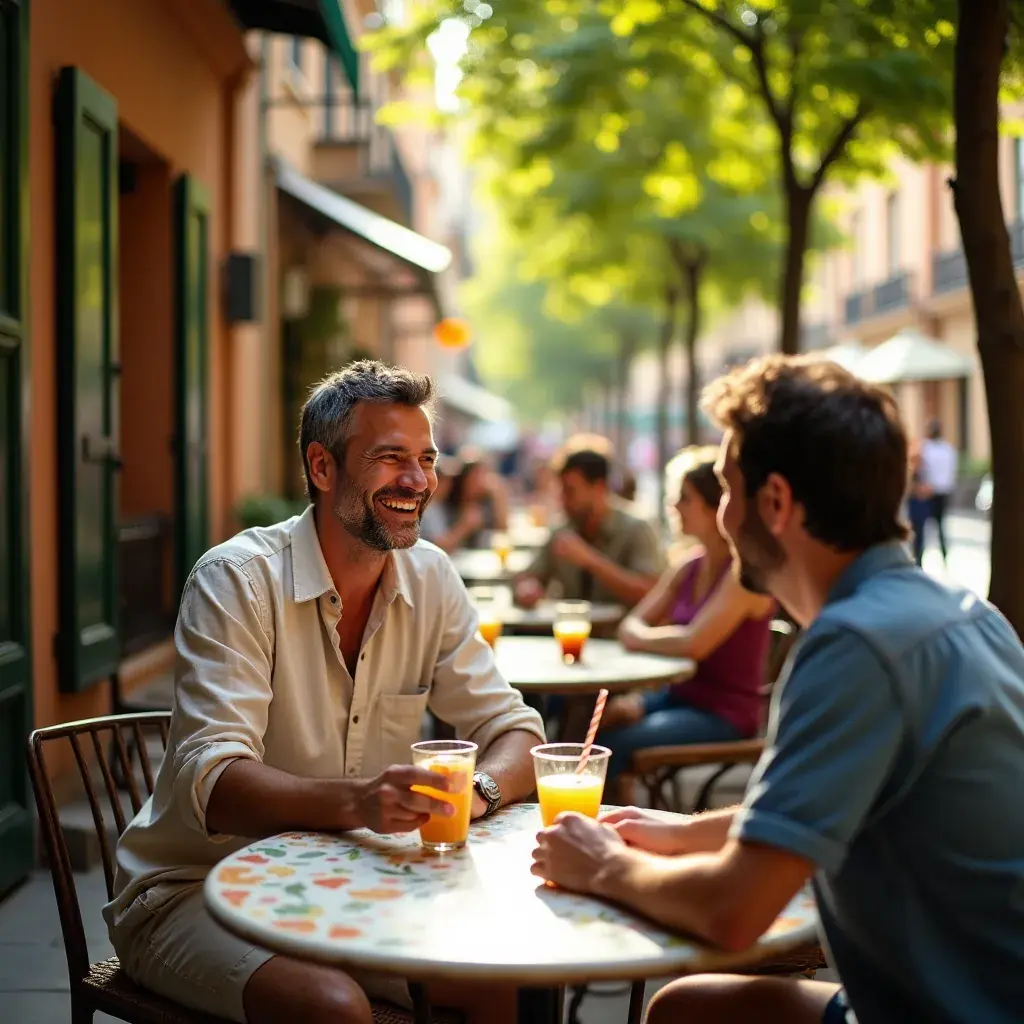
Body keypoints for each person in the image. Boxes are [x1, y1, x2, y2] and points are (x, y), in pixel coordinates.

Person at [532, 355, 1024, 1024]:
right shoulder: (962, 612)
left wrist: (600, 868)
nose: (724, 517)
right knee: (685, 1009)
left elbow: (734, 911)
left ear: (776, 503)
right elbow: (842, 802)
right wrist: (674, 835)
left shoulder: (855, 645)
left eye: (729, 489)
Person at [104, 361, 545, 1024]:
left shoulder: (431, 577)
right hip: (194, 887)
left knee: (503, 979)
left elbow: (514, 730)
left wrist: (476, 793)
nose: (419, 481)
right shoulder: (236, 581)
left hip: (350, 881)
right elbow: (215, 782)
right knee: (330, 1007)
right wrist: (363, 802)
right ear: (322, 467)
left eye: (426, 459)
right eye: (390, 458)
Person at [598, 447, 774, 782]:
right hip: (676, 697)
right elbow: (630, 625)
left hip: (724, 715)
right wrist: (650, 639)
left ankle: (615, 825)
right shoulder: (688, 566)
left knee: (611, 747)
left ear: (715, 506)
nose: (674, 506)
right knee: (598, 723)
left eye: (685, 498)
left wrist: (641, 638)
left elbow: (694, 644)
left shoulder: (743, 575)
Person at [513, 438, 666, 609]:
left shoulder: (638, 528)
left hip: (616, 633)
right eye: (561, 491)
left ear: (599, 487)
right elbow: (528, 576)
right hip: (569, 632)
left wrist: (590, 560)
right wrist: (526, 587)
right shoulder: (563, 530)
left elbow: (650, 592)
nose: (562, 500)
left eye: (570, 491)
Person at [432, 453, 510, 553]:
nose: (481, 481)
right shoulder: (444, 504)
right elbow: (439, 546)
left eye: (484, 475)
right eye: (476, 476)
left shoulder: (484, 503)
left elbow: (503, 530)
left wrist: (499, 496)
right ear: (464, 479)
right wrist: (464, 526)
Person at [920, 418, 958, 564]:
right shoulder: (948, 449)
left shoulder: (926, 449)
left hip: (930, 492)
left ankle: (921, 559)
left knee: (925, 528)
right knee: (939, 527)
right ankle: (943, 558)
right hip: (942, 491)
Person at [906, 441, 932, 566]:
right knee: (912, 537)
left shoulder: (924, 473)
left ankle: (919, 561)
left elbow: (928, 490)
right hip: (912, 508)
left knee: (920, 537)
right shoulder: (909, 473)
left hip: (921, 507)